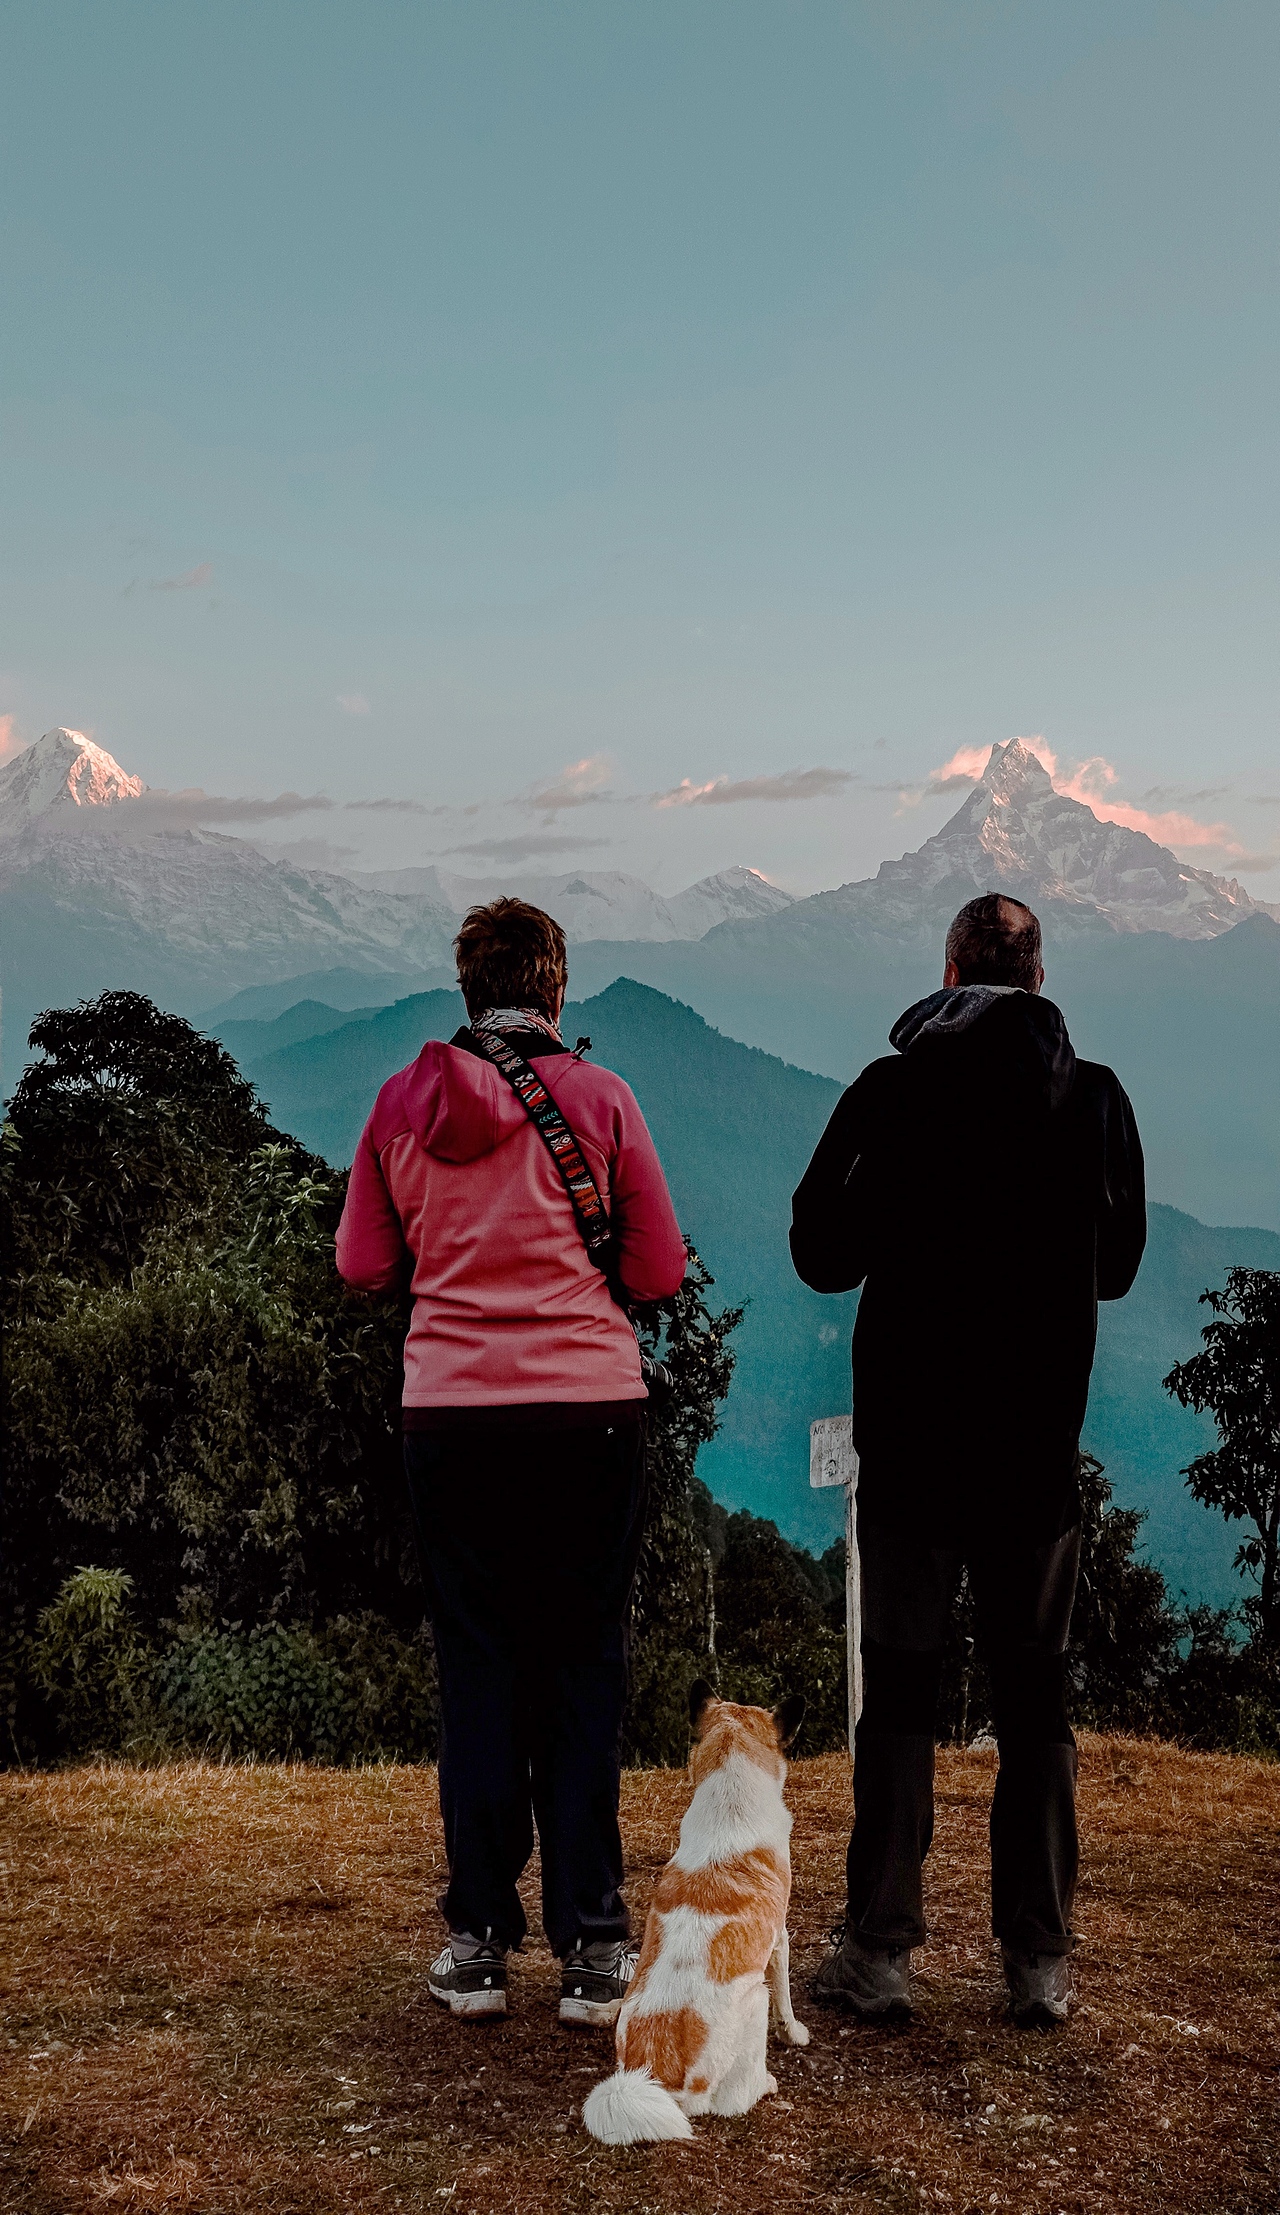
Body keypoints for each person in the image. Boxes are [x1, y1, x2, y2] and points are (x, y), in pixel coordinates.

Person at [790, 893, 1146, 2028]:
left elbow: (817, 1250)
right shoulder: (1091, 1097)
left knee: (899, 1687)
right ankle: (1035, 1958)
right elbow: (1118, 1265)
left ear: (947, 968)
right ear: (1039, 979)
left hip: (911, 1442)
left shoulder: (891, 1089)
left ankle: (881, 1950)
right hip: (1033, 1448)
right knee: (1033, 1697)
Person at [336, 897, 687, 2025]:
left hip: (451, 1421)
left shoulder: (400, 1103)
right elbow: (658, 1269)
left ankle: (478, 1941)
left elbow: (362, 1262)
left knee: (478, 1670)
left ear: (463, 989)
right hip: (588, 1416)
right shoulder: (601, 1100)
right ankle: (592, 1945)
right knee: (583, 1664)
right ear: (554, 990)